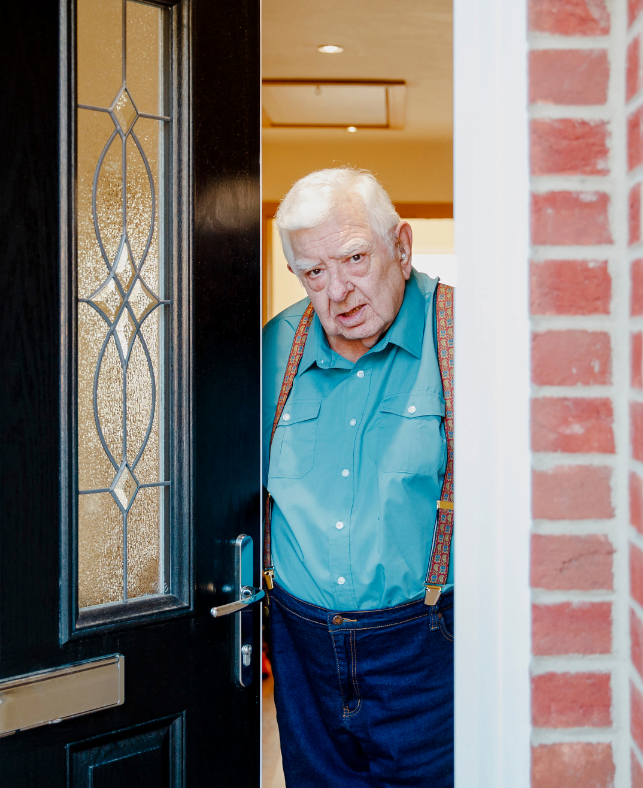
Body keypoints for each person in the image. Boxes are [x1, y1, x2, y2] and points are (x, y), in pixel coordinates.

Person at [263, 168, 454, 787]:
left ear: (400, 247)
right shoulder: (274, 349)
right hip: (301, 648)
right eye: (313, 272)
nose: (338, 290)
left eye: (353, 258)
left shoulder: (465, 338)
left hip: (425, 647)